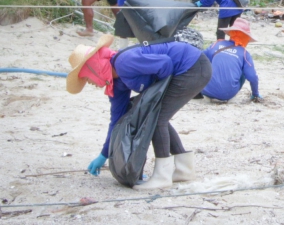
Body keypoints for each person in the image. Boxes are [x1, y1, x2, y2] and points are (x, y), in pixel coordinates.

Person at [66, 34, 212, 189]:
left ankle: (162, 177)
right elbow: (117, 120)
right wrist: (104, 154)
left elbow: (165, 64)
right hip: (185, 69)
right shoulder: (115, 84)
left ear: (94, 69)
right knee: (155, 114)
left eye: (88, 79)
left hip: (193, 66)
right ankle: (184, 170)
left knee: (155, 117)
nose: (91, 84)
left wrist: (153, 94)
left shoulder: (124, 62)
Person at [201, 18, 262, 102]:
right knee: (244, 71)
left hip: (205, 90)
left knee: (210, 63)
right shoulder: (244, 53)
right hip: (228, 94)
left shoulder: (217, 44)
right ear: (246, 37)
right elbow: (252, 77)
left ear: (231, 33)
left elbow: (200, 57)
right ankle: (226, 92)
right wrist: (255, 94)